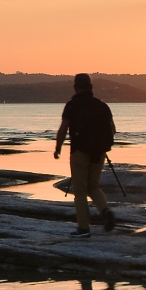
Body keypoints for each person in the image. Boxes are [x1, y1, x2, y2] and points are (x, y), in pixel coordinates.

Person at [54, 73, 117, 236]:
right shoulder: (102, 106)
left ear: (76, 87)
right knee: (93, 186)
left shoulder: (72, 105)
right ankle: (105, 210)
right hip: (100, 152)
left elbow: (63, 129)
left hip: (79, 151)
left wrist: (58, 148)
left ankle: (83, 227)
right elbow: (113, 130)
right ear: (91, 87)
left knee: (80, 190)